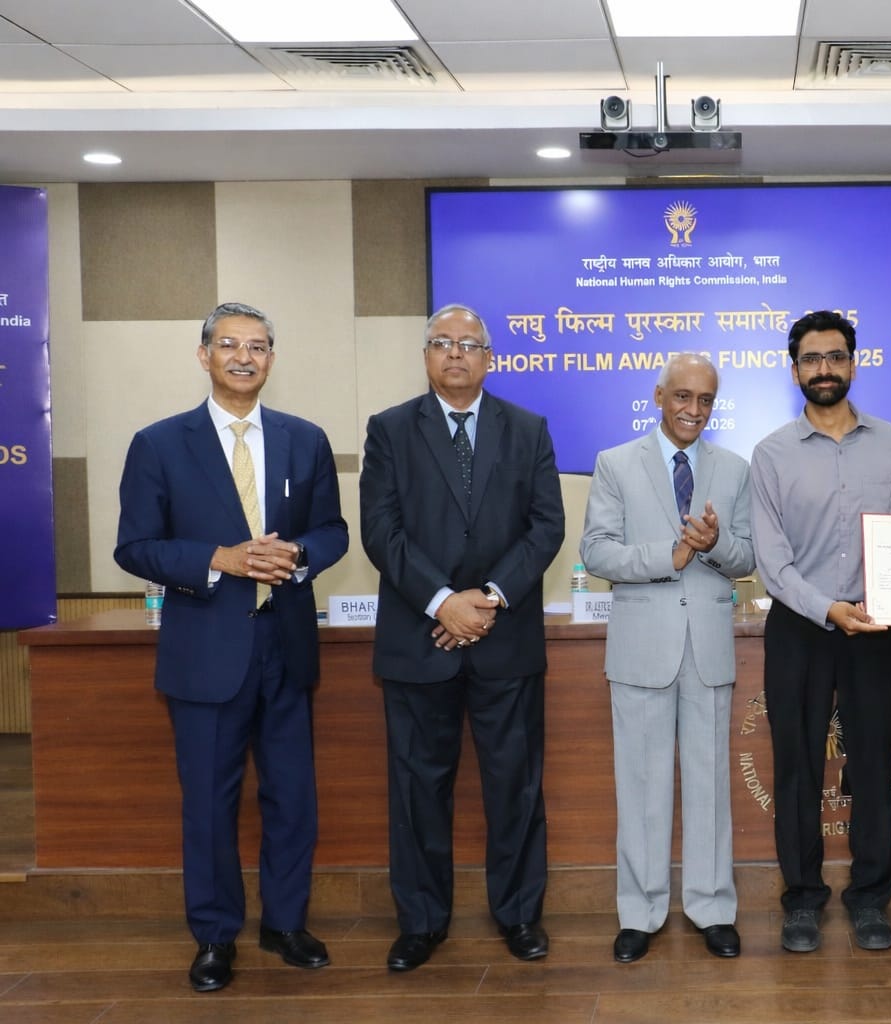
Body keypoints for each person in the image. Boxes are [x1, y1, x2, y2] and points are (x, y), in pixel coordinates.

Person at [115, 301, 349, 992]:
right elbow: (135, 546)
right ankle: (215, 936)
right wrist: (219, 557)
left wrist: (297, 554)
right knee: (210, 806)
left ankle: (285, 923)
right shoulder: (159, 443)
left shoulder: (305, 439)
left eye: (258, 346)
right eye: (229, 345)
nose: (244, 357)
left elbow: (333, 531)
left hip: (287, 646)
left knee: (292, 798)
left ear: (272, 358)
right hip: (205, 653)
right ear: (204, 355)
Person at [359, 303, 564, 972]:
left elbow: (546, 526)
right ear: (426, 356)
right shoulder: (390, 430)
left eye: (470, 344)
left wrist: (491, 598)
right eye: (443, 342)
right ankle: (421, 923)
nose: (456, 353)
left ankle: (519, 915)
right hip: (420, 639)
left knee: (516, 787)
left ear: (490, 358)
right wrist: (444, 603)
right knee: (417, 790)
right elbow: (380, 530)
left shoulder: (528, 429)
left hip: (506, 640)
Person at [749, 309, 891, 954]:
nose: (824, 369)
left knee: (873, 763)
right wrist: (826, 607)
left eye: (835, 356)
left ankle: (869, 900)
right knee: (797, 765)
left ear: (853, 364)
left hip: (874, 624)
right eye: (811, 358)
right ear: (795, 370)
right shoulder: (771, 453)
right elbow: (772, 561)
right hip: (800, 625)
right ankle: (802, 900)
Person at [579, 352, 754, 963]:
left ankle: (713, 907)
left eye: (705, 400)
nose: (693, 410)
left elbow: (747, 556)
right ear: (659, 397)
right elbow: (597, 551)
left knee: (710, 785)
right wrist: (668, 556)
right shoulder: (615, 463)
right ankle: (640, 912)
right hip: (641, 648)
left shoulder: (734, 469)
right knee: (642, 785)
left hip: (707, 648)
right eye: (682, 396)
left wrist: (715, 545)